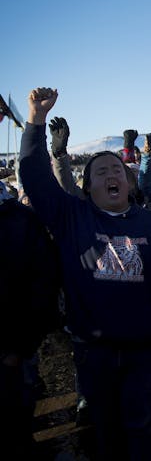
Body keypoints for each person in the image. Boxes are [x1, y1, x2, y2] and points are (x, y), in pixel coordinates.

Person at [19, 87, 151, 461]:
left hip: (143, 350)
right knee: (105, 430)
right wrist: (36, 121)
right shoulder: (71, 218)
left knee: (143, 427)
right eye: (102, 171)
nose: (111, 175)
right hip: (95, 351)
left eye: (117, 171)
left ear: (129, 182)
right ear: (87, 186)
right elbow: (33, 175)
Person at [0, 180, 61, 458]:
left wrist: (19, 347)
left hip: (15, 351)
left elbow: (43, 284)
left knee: (17, 424)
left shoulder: (21, 221)